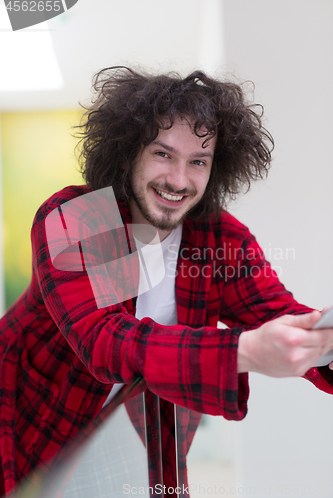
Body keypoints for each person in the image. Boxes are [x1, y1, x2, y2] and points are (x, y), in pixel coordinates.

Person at [1, 66, 333, 496]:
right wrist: (243, 351)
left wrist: (323, 340)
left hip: (137, 432)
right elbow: (108, 343)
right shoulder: (79, 217)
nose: (179, 180)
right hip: (32, 417)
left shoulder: (217, 237)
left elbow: (279, 312)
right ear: (128, 153)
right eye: (163, 154)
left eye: (198, 161)